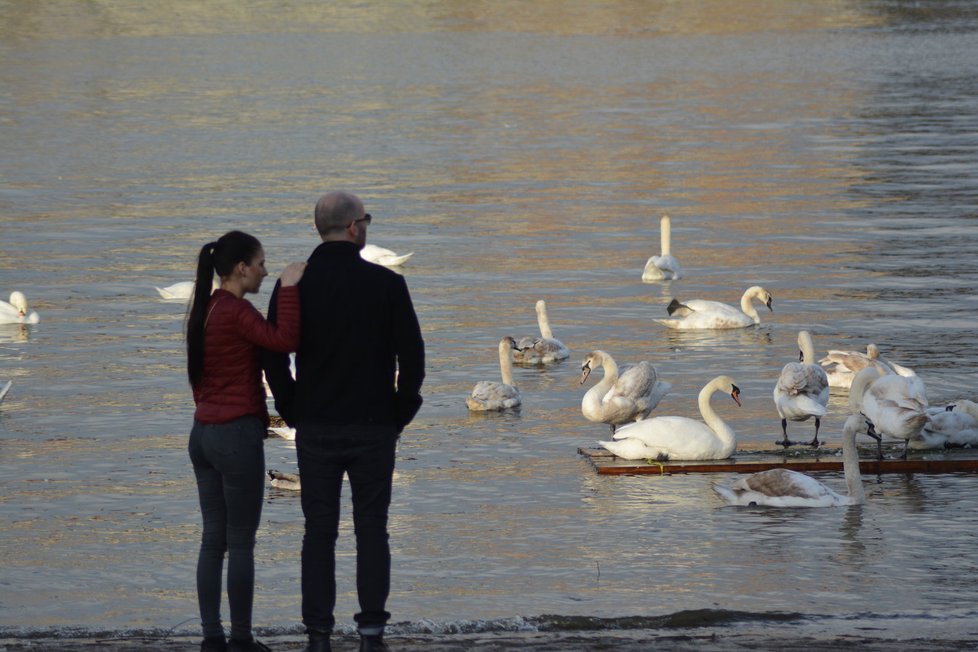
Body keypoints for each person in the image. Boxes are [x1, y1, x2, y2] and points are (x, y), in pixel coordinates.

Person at [264, 192, 425, 652]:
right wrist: (401, 411)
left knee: (319, 531)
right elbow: (413, 357)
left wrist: (293, 408)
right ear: (354, 227)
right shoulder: (387, 284)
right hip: (374, 423)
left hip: (315, 425)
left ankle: (318, 633)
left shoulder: (294, 284)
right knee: (372, 527)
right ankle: (371, 629)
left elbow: (274, 354)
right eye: (367, 220)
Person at [186, 230, 306, 652]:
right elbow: (283, 341)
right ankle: (239, 639)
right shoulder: (236, 310)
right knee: (239, 543)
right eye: (260, 264)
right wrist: (289, 289)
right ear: (241, 268)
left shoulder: (205, 309)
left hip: (201, 434)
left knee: (211, 539)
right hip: (235, 435)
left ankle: (211, 639)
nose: (266, 270)